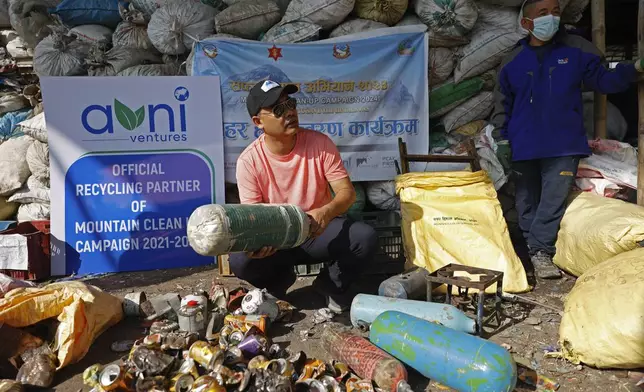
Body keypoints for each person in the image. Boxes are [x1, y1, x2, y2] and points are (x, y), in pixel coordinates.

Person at [491, 0, 644, 279]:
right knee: (527, 201)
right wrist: (501, 139)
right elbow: (502, 104)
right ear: (526, 23)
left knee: (552, 200)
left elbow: (604, 80)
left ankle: (540, 252)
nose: (552, 18)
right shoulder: (511, 61)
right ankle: (529, 250)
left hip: (563, 144)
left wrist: (633, 68)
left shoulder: (577, 48)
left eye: (556, 12)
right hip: (523, 144)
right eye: (543, 13)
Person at [229, 79, 379, 312]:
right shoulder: (248, 161)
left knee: (364, 237)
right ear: (258, 122)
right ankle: (279, 281)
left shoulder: (320, 143)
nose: (289, 112)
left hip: (316, 231)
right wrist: (257, 243)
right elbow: (254, 216)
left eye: (291, 104)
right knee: (240, 260)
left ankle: (329, 284)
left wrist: (326, 211)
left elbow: (346, 193)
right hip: (277, 240)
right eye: (279, 109)